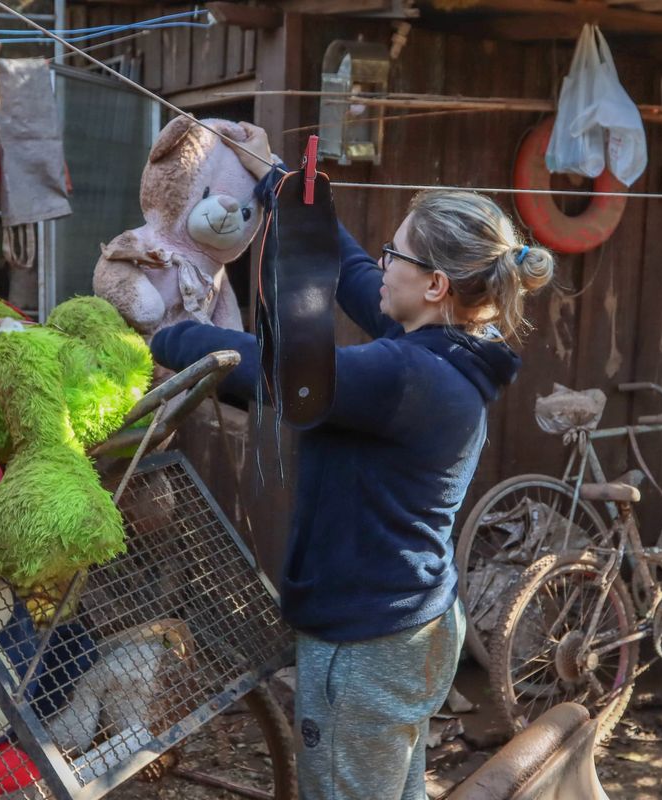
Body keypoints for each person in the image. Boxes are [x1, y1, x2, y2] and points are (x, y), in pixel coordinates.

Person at [150, 187, 556, 799]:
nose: (383, 261)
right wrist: (293, 197)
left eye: (397, 252)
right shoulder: (463, 344)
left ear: (437, 285)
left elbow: (277, 370)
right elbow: (362, 279)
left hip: (365, 645)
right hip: (414, 623)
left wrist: (162, 333)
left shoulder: (406, 376)